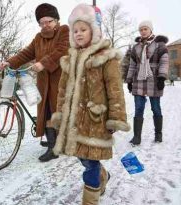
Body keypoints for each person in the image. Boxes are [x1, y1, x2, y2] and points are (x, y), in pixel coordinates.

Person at [50, 4, 130, 204]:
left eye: (83, 30)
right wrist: (59, 114)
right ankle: (103, 175)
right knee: (83, 159)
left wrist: (115, 118)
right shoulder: (69, 59)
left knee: (91, 164)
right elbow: (61, 91)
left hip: (96, 120)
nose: (78, 34)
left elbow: (115, 89)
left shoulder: (106, 58)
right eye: (75, 31)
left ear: (94, 31)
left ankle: (90, 200)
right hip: (74, 122)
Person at [0, 3, 69, 162]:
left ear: (56, 20)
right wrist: (9, 62)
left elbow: (62, 50)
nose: (45, 25)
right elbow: (26, 53)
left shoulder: (65, 31)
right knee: (47, 111)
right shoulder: (38, 38)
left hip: (61, 80)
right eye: (42, 22)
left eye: (48, 21)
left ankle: (58, 145)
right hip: (44, 82)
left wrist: (43, 63)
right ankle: (53, 144)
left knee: (57, 111)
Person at [125, 20, 169, 145]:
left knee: (155, 108)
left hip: (154, 79)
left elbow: (164, 62)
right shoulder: (136, 47)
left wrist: (161, 77)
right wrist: (129, 80)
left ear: (151, 30)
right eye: (141, 29)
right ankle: (137, 137)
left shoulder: (160, 45)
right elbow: (132, 65)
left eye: (145, 29)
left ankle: (158, 134)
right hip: (139, 79)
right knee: (138, 108)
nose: (143, 31)